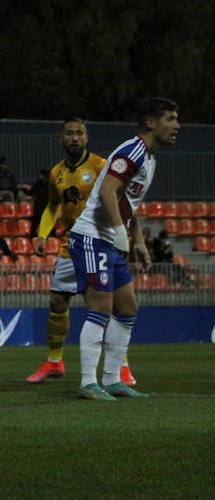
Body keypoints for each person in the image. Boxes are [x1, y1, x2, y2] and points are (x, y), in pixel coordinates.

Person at [69, 98, 179, 400]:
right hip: (92, 236)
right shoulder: (132, 151)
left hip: (110, 240)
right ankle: (88, 383)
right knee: (101, 307)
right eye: (170, 119)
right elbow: (107, 191)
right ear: (150, 123)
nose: (177, 125)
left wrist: (139, 241)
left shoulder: (149, 159)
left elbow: (127, 201)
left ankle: (113, 379)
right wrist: (119, 231)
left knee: (128, 307)